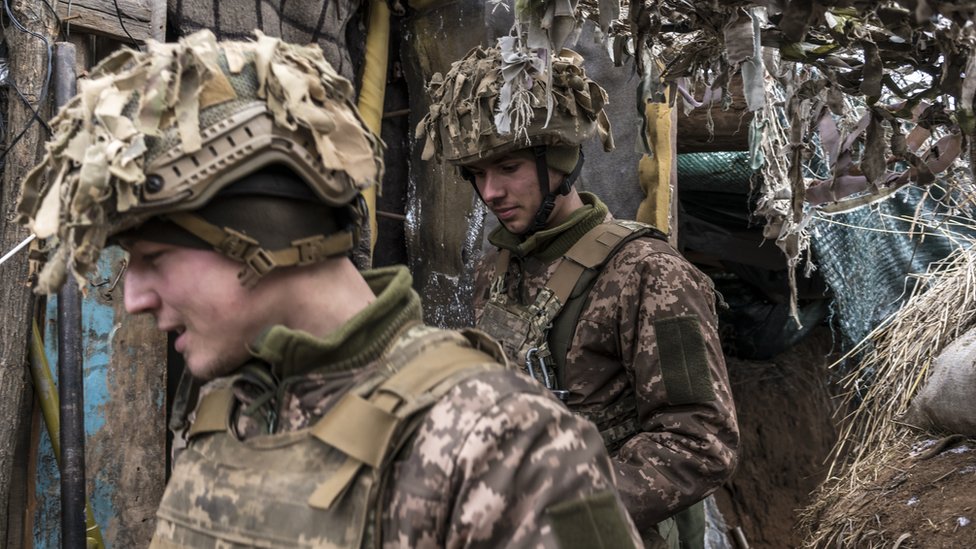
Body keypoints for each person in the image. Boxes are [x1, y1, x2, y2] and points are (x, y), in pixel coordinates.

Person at [17, 30, 644, 548]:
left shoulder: (508, 448)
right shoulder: (223, 404)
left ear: (261, 234)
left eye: (155, 258)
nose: (134, 297)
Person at [418, 44, 739, 548]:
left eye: (508, 167)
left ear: (560, 159)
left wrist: (560, 508)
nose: (491, 192)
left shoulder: (648, 274)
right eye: (477, 174)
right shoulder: (496, 271)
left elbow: (701, 441)